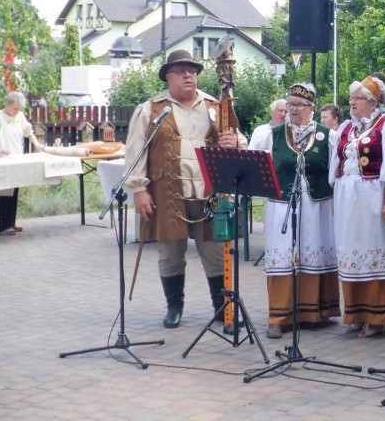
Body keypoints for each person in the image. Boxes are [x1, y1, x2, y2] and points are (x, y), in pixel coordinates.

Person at [123, 50, 244, 329]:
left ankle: (221, 308)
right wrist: (139, 190)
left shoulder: (217, 107)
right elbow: (135, 153)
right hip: (167, 194)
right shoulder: (151, 109)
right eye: (180, 71)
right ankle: (174, 307)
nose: (188, 75)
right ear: (168, 76)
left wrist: (235, 143)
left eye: (192, 71)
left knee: (215, 254)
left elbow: (239, 139)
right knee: (170, 254)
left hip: (210, 195)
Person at [329, 75, 385, 337]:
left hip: (375, 197)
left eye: (356, 98)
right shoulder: (346, 127)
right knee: (352, 253)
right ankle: (356, 313)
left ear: (372, 102)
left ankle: (378, 317)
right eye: (351, 98)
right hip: (348, 200)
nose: (351, 103)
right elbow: (336, 166)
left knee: (375, 252)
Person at [263, 83, 339, 338]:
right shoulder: (271, 135)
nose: (293, 109)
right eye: (290, 104)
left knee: (313, 252)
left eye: (299, 105)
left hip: (317, 206)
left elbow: (336, 173)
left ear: (312, 108)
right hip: (282, 206)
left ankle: (312, 312)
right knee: (282, 255)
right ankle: (278, 316)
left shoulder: (328, 136)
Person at [0, 92, 42, 235]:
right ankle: (4, 225)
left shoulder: (20, 116)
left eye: (19, 108)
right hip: (2, 160)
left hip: (16, 159)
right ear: (8, 105)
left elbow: (28, 131)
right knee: (5, 191)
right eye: (15, 108)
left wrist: (37, 145)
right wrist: (0, 149)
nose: (17, 111)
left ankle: (11, 222)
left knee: (15, 190)